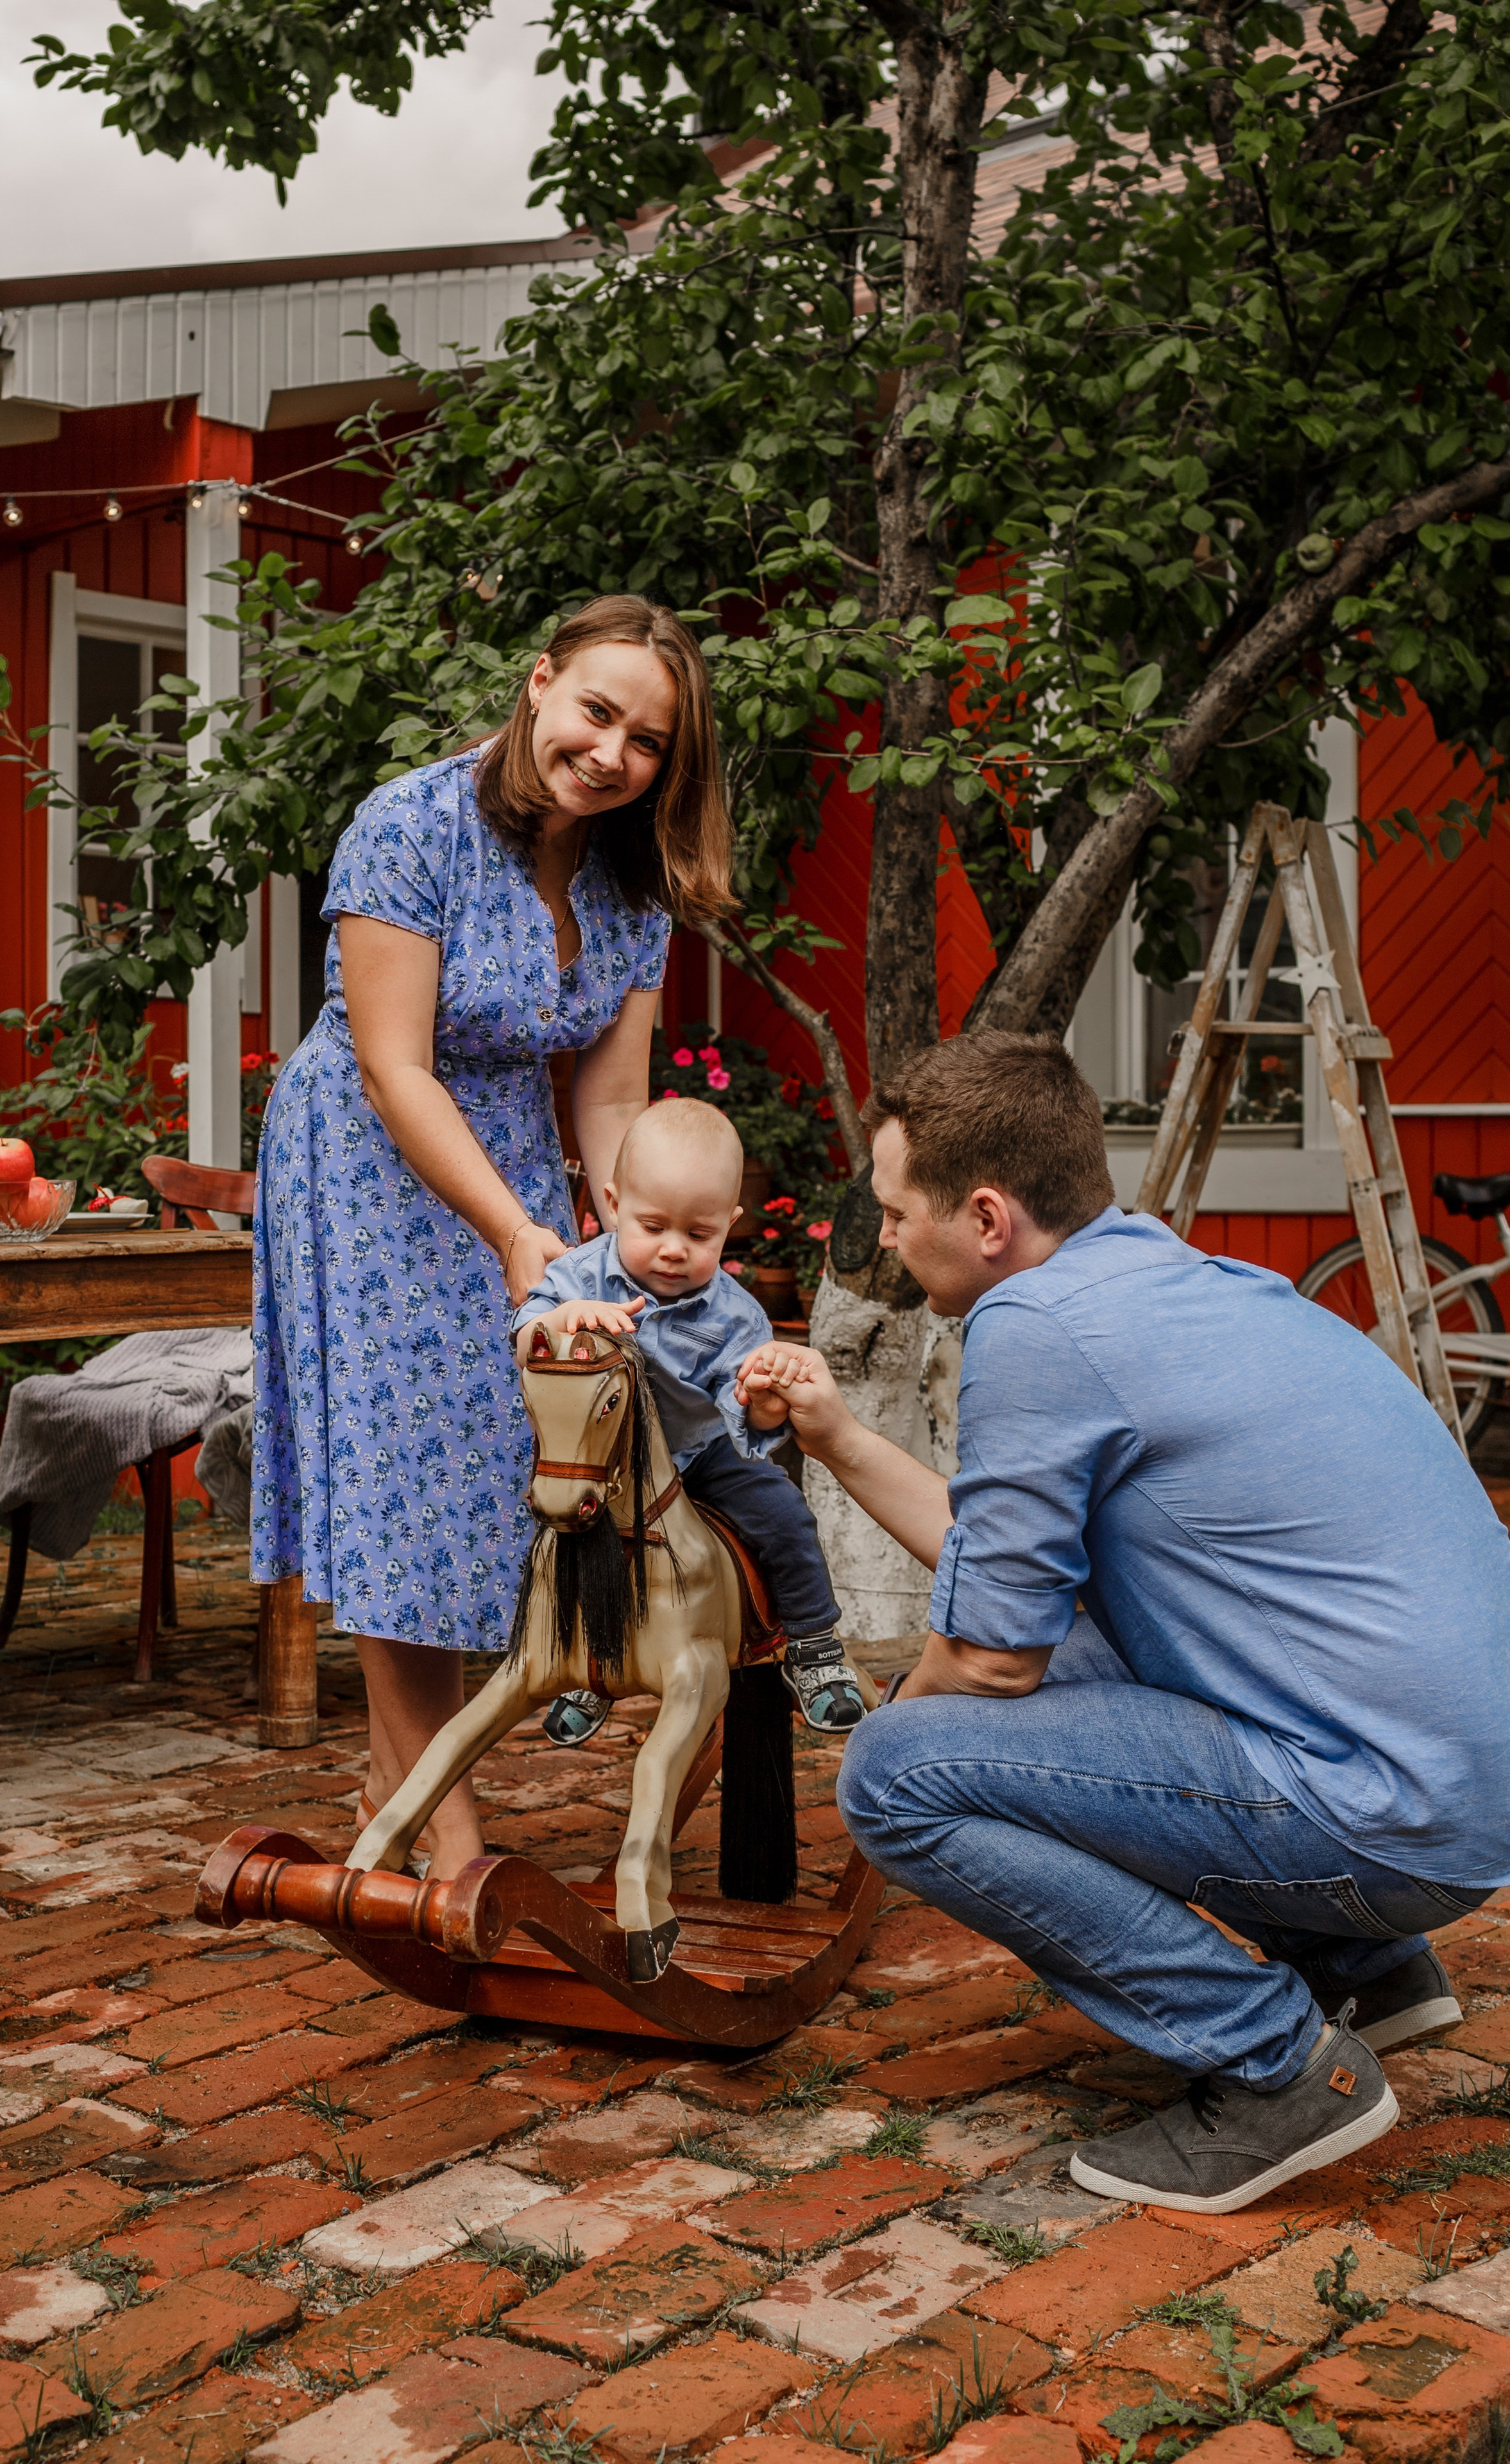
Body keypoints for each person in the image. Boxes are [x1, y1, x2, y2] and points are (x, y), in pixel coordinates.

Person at [737, 1029, 1510, 2215]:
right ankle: (1366, 1970)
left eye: (897, 1210)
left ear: (987, 1218)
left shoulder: (1032, 1327)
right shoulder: (1168, 1278)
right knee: (1074, 1654)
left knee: (899, 1771)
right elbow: (1011, 1574)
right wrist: (839, 1437)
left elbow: (992, 1657)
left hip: (1390, 1821)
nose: (884, 1234)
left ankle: (1279, 2069)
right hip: (1455, 1790)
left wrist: (907, 1741)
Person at [251, 595, 732, 1875]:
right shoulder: (410, 825)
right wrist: (516, 1229)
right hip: (363, 1155)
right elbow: (395, 1070)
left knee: (498, 1469)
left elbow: (612, 1095)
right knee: (404, 1470)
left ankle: (390, 1779)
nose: (612, 752)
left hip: (512, 1157)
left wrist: (634, 1226)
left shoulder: (632, 883)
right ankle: (441, 1828)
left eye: (647, 740)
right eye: (596, 711)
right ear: (538, 686)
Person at [514, 1098, 864, 1733]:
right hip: (609, 1461)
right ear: (613, 1205)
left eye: (698, 1235)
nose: (674, 1249)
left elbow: (754, 1418)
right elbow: (526, 1334)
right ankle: (595, 1663)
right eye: (653, 1226)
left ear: (730, 1225)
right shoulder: (577, 1277)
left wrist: (760, 1403)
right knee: (573, 1544)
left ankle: (814, 1645)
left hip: (702, 1449)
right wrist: (556, 1321)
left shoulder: (734, 1315)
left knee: (781, 1511)